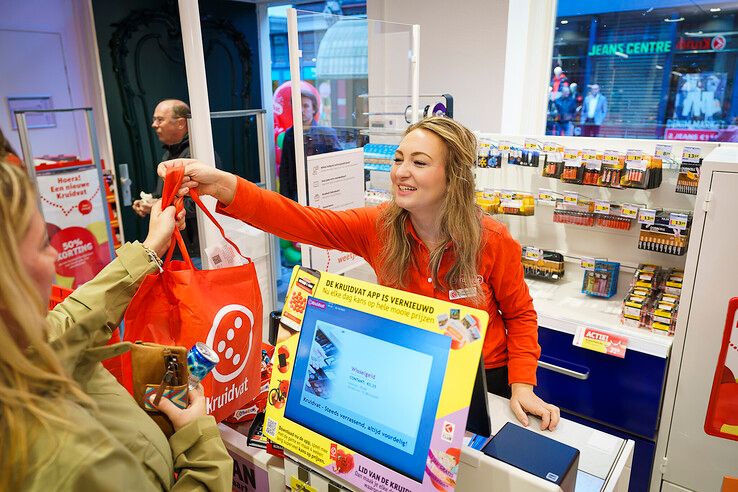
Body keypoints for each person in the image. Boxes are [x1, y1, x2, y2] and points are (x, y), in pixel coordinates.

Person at [161, 116, 561, 431]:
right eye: (398, 159)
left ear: (453, 175)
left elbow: (520, 315)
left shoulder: (491, 239)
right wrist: (223, 184)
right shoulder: (379, 226)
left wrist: (522, 384)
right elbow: (303, 222)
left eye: (419, 163)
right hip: (407, 371)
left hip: (480, 381)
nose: (401, 171)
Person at [0, 162, 232, 490]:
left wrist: (151, 249)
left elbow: (67, 321)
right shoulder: (75, 465)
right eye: (41, 244)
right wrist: (199, 444)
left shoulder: (20, 346)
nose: (54, 254)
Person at [133, 99, 200, 263]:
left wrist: (157, 206)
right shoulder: (169, 155)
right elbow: (167, 194)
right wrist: (148, 201)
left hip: (192, 252)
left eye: (160, 119)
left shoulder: (196, 155)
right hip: (174, 248)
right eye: (154, 119)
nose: (154, 125)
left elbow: (198, 203)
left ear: (181, 123)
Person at [279, 90, 341, 202]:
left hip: (324, 191)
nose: (301, 110)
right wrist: (285, 201)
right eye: (298, 106)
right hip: (297, 192)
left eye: (306, 106)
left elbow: (338, 166)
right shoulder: (289, 134)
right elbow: (285, 170)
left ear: (314, 109)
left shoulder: (326, 134)